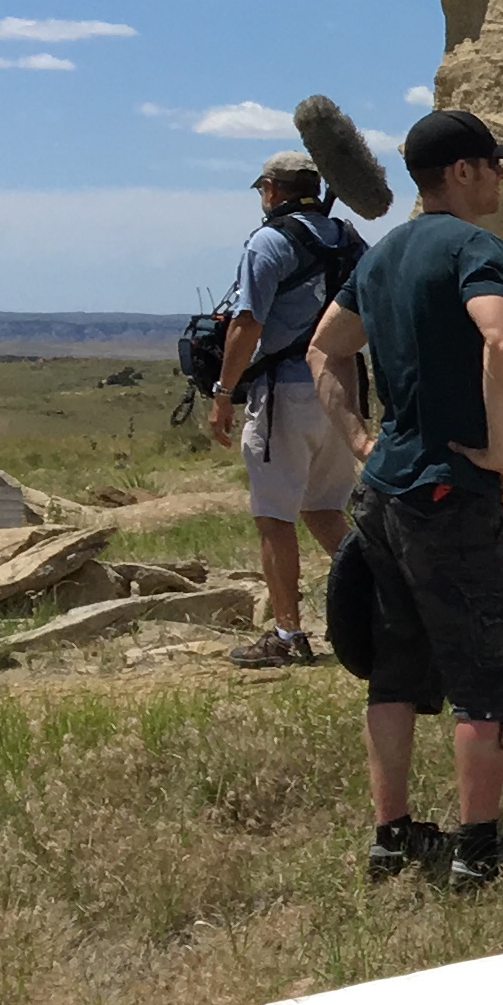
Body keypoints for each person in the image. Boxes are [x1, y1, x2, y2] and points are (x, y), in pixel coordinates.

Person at [309, 108, 503, 887]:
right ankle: (478, 849)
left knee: (397, 667)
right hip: (449, 491)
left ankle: (393, 836)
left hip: (383, 493)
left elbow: (324, 351)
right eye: (495, 163)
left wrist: (361, 442)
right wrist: (500, 450)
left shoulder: (383, 257)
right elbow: (500, 339)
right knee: (487, 664)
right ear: (463, 172)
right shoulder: (477, 249)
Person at [205, 152, 368, 668]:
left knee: (274, 518)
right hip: (341, 389)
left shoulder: (268, 242)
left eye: (263, 190)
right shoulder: (348, 238)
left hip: (284, 394)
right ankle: (382, 607)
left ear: (273, 189)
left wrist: (223, 391)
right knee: (324, 510)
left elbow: (247, 322)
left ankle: (287, 634)